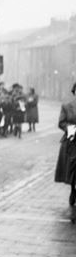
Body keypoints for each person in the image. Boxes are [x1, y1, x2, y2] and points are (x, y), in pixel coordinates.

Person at [53, 82, 76, 218]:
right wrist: (70, 128)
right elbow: (61, 122)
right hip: (72, 141)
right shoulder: (67, 106)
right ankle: (73, 189)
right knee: (72, 167)